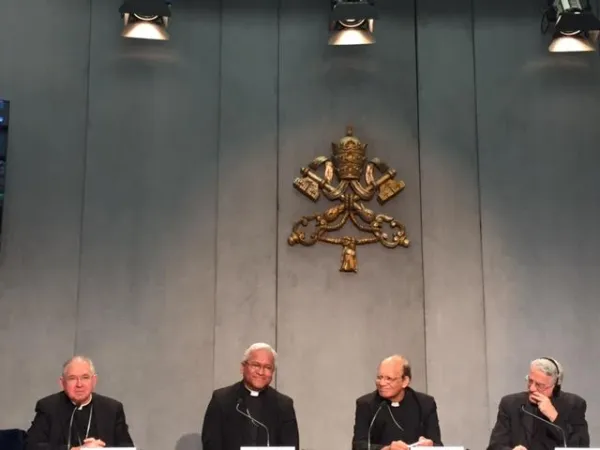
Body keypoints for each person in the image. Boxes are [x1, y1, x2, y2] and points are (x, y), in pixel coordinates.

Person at [201, 343, 299, 450]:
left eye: (267, 367)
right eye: (256, 365)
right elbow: (211, 444)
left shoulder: (284, 405)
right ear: (243, 367)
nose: (261, 372)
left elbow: (291, 446)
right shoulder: (222, 399)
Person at [25, 356, 134, 450]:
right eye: (72, 378)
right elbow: (31, 446)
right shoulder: (48, 407)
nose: (79, 384)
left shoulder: (112, 409)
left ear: (94, 381)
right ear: (62, 383)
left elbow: (126, 447)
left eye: (85, 377)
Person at [488, 357, 589, 450]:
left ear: (555, 386)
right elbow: (494, 446)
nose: (532, 388)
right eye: (530, 381)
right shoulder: (510, 404)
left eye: (539, 385)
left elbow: (581, 447)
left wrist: (555, 417)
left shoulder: (574, 405)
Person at [352, 355, 442, 450]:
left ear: (405, 381)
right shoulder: (366, 404)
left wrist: (430, 446)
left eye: (389, 379)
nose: (382, 383)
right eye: (379, 377)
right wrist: (387, 449)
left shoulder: (425, 404)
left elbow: (438, 445)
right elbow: (359, 446)